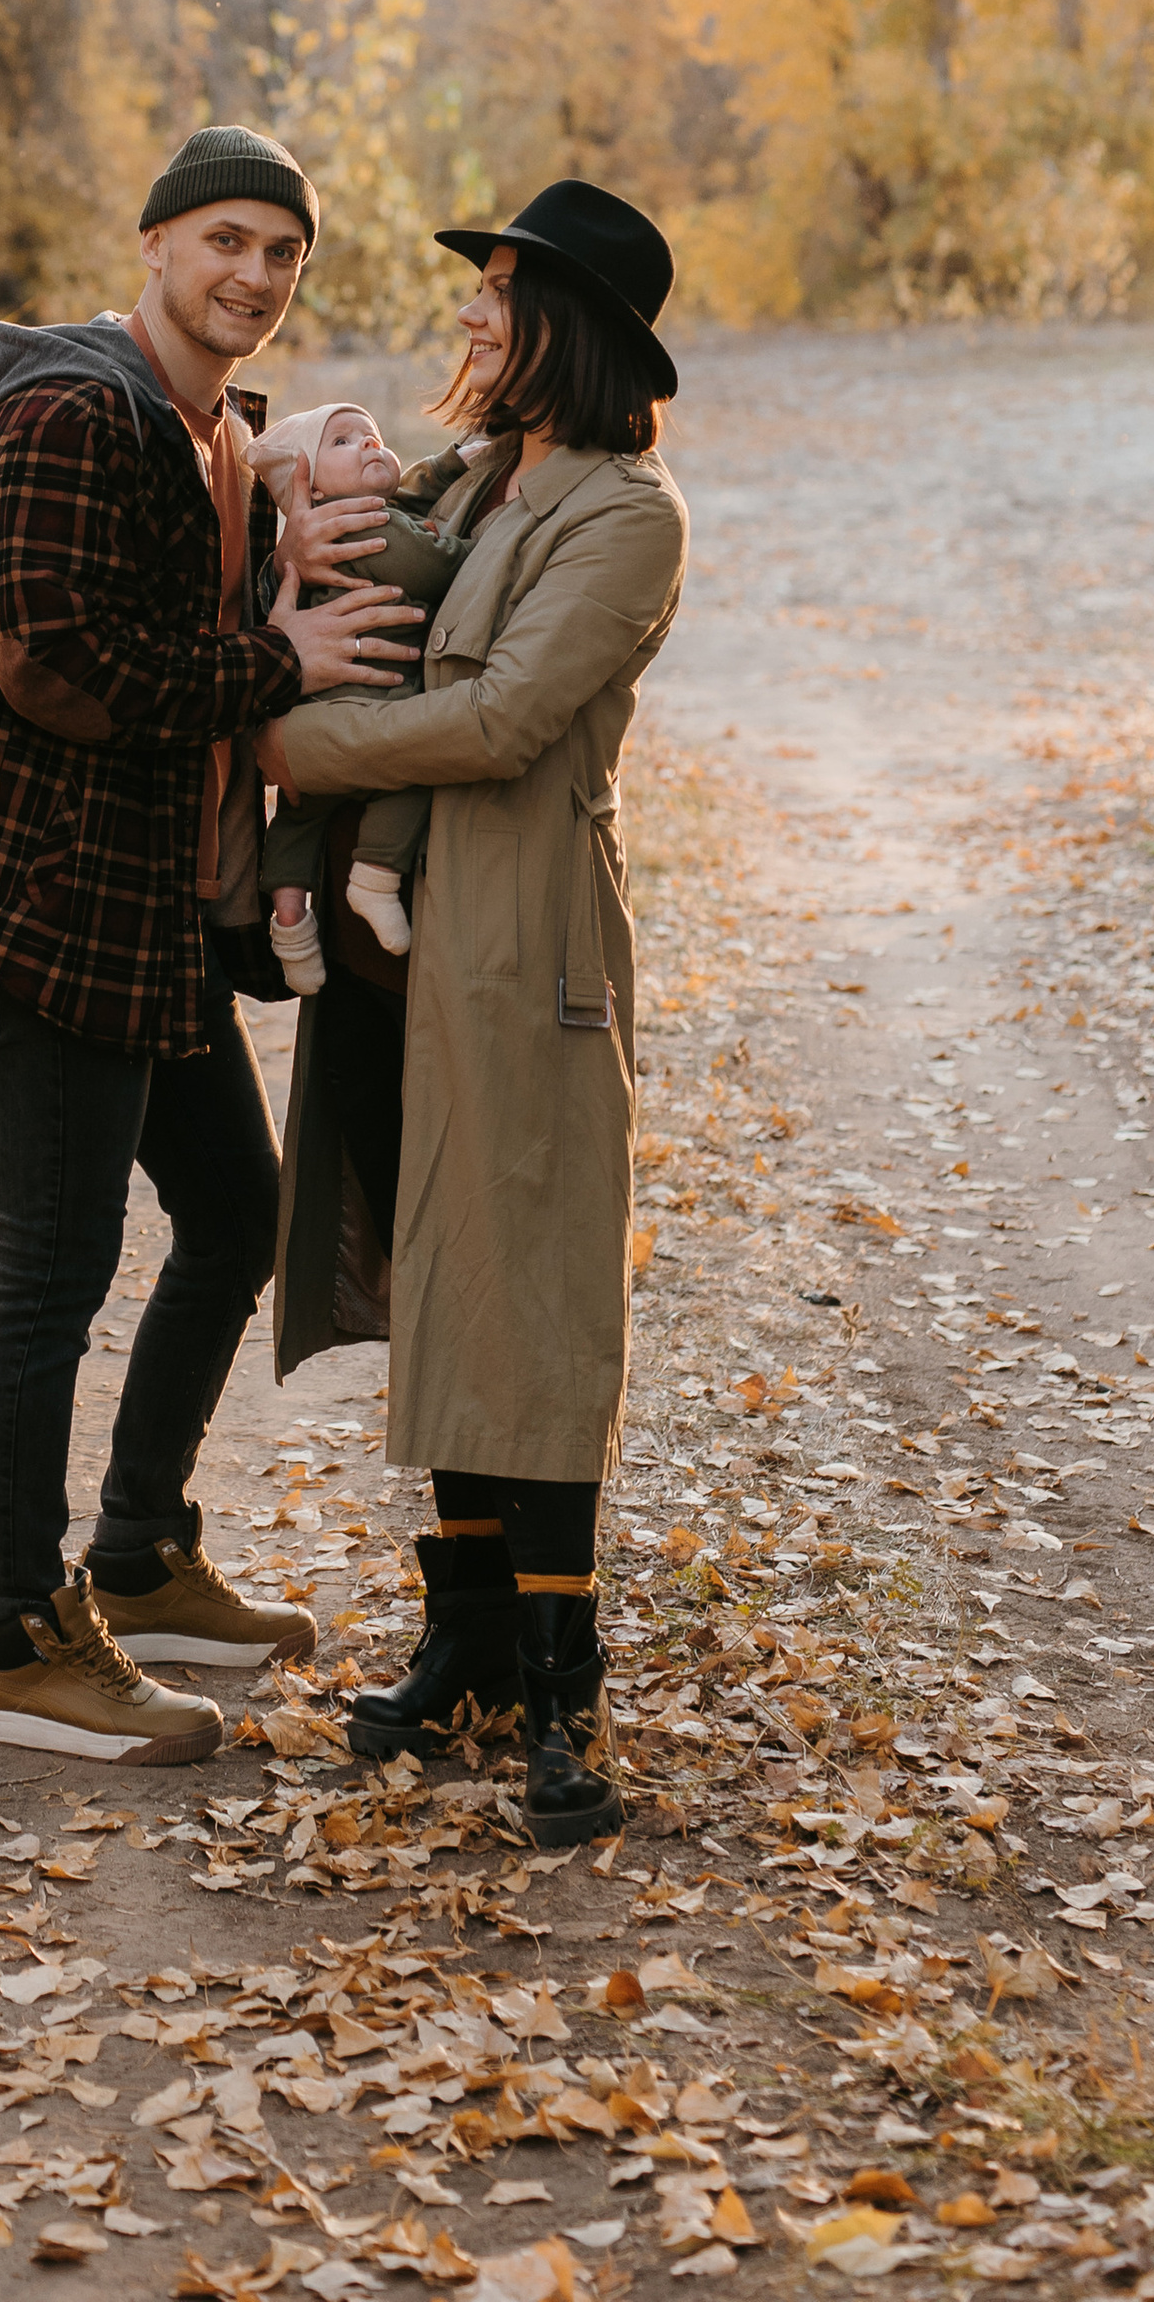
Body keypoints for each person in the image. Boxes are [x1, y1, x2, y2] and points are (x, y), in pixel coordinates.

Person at [0, 124, 418, 1767]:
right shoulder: (65, 412)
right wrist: (277, 660)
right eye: (225, 240)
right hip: (47, 895)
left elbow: (182, 620)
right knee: (54, 1265)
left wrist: (274, 581)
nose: (252, 275)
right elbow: (53, 660)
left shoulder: (205, 437)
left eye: (283, 254)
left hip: (149, 906)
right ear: (157, 245)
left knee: (240, 1214)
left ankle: (143, 1557)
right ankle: (15, 1635)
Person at [258, 178, 689, 1845]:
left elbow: (508, 720)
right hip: (398, 947)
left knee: (535, 1284)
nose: (467, 313)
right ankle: (467, 1639)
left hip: (520, 947)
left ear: (562, 324)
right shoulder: (471, 474)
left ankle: (559, 1672)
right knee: (436, 1262)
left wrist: (289, 748)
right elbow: (340, 552)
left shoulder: (623, 514)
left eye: (496, 291)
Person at [241, 399, 477, 992]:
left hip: (312, 715)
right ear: (309, 490)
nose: (371, 444)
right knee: (411, 776)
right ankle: (374, 874)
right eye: (343, 442)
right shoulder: (367, 526)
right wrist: (476, 545)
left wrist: (447, 466)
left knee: (299, 818)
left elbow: (410, 495)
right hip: (373, 708)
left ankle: (290, 916)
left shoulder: (332, 527)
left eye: (373, 434)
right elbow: (431, 565)